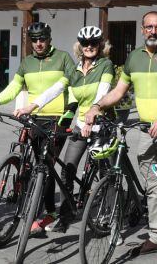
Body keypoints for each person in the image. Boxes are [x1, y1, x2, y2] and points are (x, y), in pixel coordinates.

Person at [82, 11, 157, 263]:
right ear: (142, 30)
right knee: (153, 187)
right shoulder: (134, 57)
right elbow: (119, 91)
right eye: (149, 27)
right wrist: (97, 106)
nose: (153, 31)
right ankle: (156, 234)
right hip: (145, 132)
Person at [0, 21, 84, 235]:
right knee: (37, 166)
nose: (38, 43)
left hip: (58, 119)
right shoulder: (26, 62)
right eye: (34, 40)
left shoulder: (63, 57)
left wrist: (70, 111)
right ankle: (45, 209)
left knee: (46, 166)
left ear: (49, 39)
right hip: (35, 118)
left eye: (42, 39)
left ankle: (47, 212)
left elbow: (71, 86)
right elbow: (14, 87)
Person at [50, 25, 116, 233]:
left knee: (107, 174)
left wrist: (92, 118)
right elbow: (57, 89)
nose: (89, 47)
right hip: (81, 126)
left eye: (93, 43)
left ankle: (111, 222)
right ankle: (65, 216)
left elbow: (103, 93)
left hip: (102, 125)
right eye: (85, 43)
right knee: (67, 170)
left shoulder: (105, 64)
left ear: (100, 45)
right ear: (79, 46)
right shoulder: (74, 68)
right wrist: (31, 106)